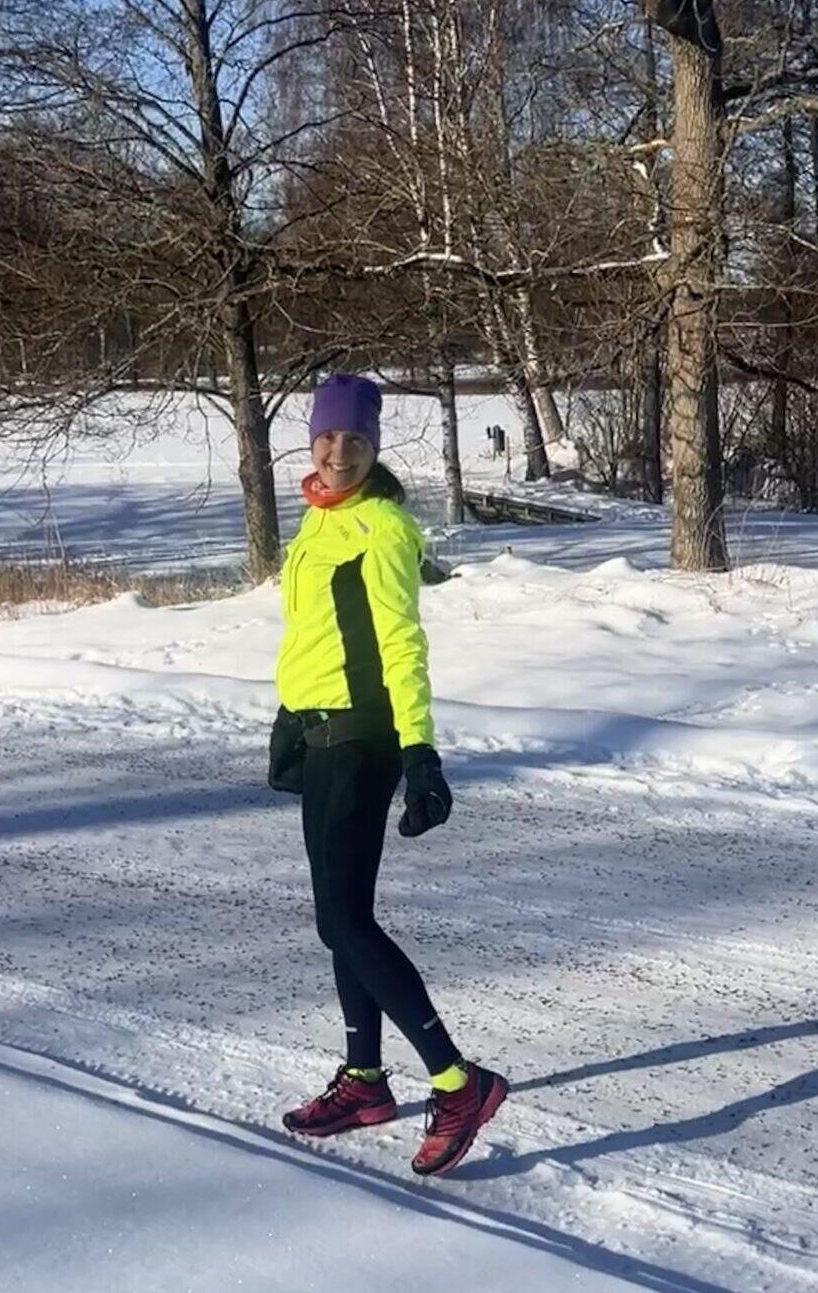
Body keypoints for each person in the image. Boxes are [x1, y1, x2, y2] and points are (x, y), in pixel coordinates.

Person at [268, 372, 508, 1177]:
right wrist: (290, 711)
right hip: (320, 731)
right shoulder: (319, 517)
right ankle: (365, 1079)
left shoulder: (382, 527)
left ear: (374, 448)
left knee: (344, 920)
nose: (338, 452)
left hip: (363, 738)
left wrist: (420, 752)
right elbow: (316, 632)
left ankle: (458, 1080)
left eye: (356, 440)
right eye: (328, 437)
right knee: (340, 918)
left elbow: (402, 644)